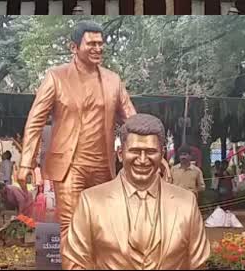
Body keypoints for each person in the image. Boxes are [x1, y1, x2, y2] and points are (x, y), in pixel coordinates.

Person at [18, 20, 137, 246]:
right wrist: (26, 162)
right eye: (91, 43)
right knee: (72, 227)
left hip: (104, 166)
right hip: (70, 165)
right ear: (74, 47)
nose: (98, 48)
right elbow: (35, 120)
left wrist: (153, 150)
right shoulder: (56, 77)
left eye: (101, 44)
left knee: (103, 227)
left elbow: (132, 118)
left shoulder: (113, 80)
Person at [62, 114, 210, 270]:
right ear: (120, 154)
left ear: (162, 154)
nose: (143, 159)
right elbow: (75, 263)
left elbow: (198, 264)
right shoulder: (91, 201)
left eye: (151, 151)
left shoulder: (186, 202)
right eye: (135, 151)